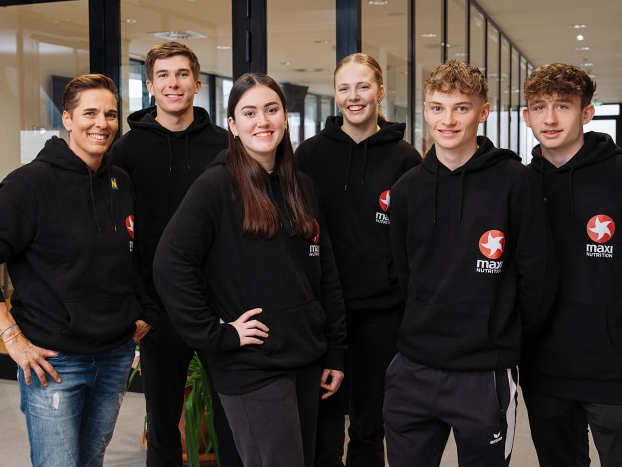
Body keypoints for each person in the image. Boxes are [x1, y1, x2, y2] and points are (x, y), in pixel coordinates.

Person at [0, 74, 156, 466]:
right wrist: (12, 337)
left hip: (114, 355)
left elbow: (131, 255)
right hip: (55, 361)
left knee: (91, 460)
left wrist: (144, 308)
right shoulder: (29, 184)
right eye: (90, 113)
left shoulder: (119, 181)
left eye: (110, 114)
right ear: (67, 118)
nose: (102, 124)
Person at [152, 72, 347, 467]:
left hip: (305, 356)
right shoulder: (215, 187)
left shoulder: (302, 186)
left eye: (271, 110)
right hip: (251, 364)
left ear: (286, 117)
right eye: (249, 112)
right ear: (233, 125)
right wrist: (216, 333)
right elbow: (170, 263)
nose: (263, 121)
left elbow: (324, 273)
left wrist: (335, 351)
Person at [382, 60, 557, 467]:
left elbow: (537, 277)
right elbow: (404, 273)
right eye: (437, 107)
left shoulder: (516, 182)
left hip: (484, 373)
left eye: (461, 108)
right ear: (426, 111)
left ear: (483, 112)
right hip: (414, 370)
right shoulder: (407, 189)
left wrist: (501, 335)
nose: (448, 120)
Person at [520, 62, 622, 467]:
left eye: (563, 105)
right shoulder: (520, 185)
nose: (550, 118)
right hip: (545, 370)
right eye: (539, 107)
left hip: (619, 372)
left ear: (587, 113)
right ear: (526, 117)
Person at [109, 41, 240, 467]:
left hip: (219, 303)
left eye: (182, 74)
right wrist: (136, 304)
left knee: (231, 419)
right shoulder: (125, 152)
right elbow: (118, 233)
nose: (173, 83)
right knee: (162, 424)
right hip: (158, 308)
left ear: (197, 83)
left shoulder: (226, 147)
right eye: (163, 75)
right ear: (149, 85)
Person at [294, 52, 421, 467]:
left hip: (381, 314)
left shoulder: (405, 159)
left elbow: (416, 241)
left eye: (363, 86)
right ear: (335, 95)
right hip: (321, 311)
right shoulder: (309, 155)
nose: (354, 96)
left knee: (370, 423)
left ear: (380, 93)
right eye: (344, 88)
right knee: (323, 419)